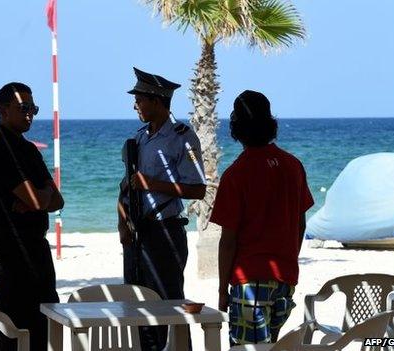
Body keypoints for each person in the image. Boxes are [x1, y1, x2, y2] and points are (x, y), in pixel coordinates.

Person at [210, 90, 314, 346]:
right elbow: (300, 224)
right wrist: (288, 259)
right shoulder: (293, 166)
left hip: (249, 283)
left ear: (237, 128)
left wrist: (223, 289)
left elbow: (229, 241)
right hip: (285, 280)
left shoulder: (236, 175)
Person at [117, 67, 206, 350]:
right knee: (137, 303)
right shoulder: (140, 138)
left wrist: (152, 184)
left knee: (170, 305)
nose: (135, 105)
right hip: (136, 233)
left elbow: (198, 189)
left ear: (157, 100)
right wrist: (122, 223)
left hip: (165, 233)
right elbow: (126, 186)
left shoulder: (182, 136)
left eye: (140, 99)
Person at [0, 82, 64, 351]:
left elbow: (56, 200)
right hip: (11, 249)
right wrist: (39, 199)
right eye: (24, 108)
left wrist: (37, 201)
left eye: (33, 109)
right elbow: (41, 198)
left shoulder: (28, 150)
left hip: (36, 247)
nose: (30, 114)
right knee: (16, 328)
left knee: (42, 323)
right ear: (4, 110)